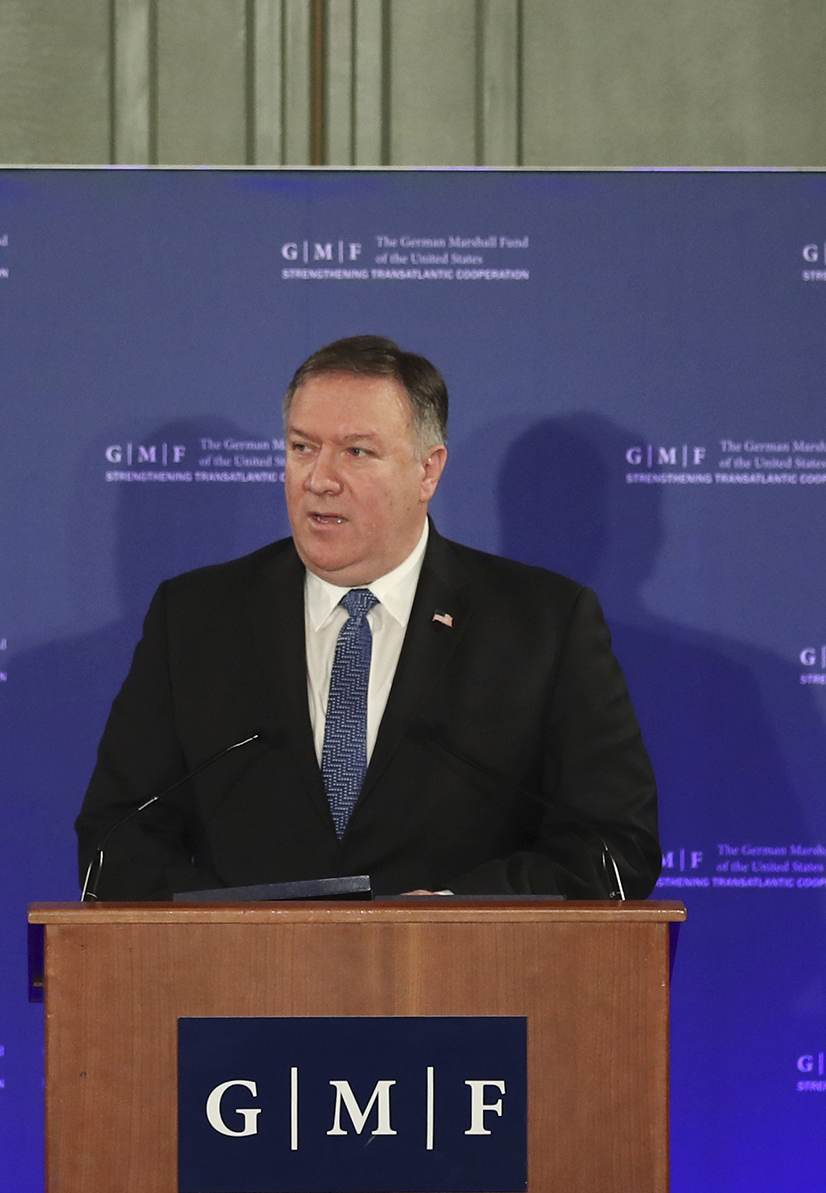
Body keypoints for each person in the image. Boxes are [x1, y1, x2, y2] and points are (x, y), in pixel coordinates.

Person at [73, 335, 659, 899]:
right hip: (243, 969)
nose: (319, 480)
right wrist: (250, 932)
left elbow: (614, 847)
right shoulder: (196, 619)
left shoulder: (543, 627)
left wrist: (451, 912)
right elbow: (117, 839)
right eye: (303, 447)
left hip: (460, 968)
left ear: (428, 471)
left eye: (356, 452)